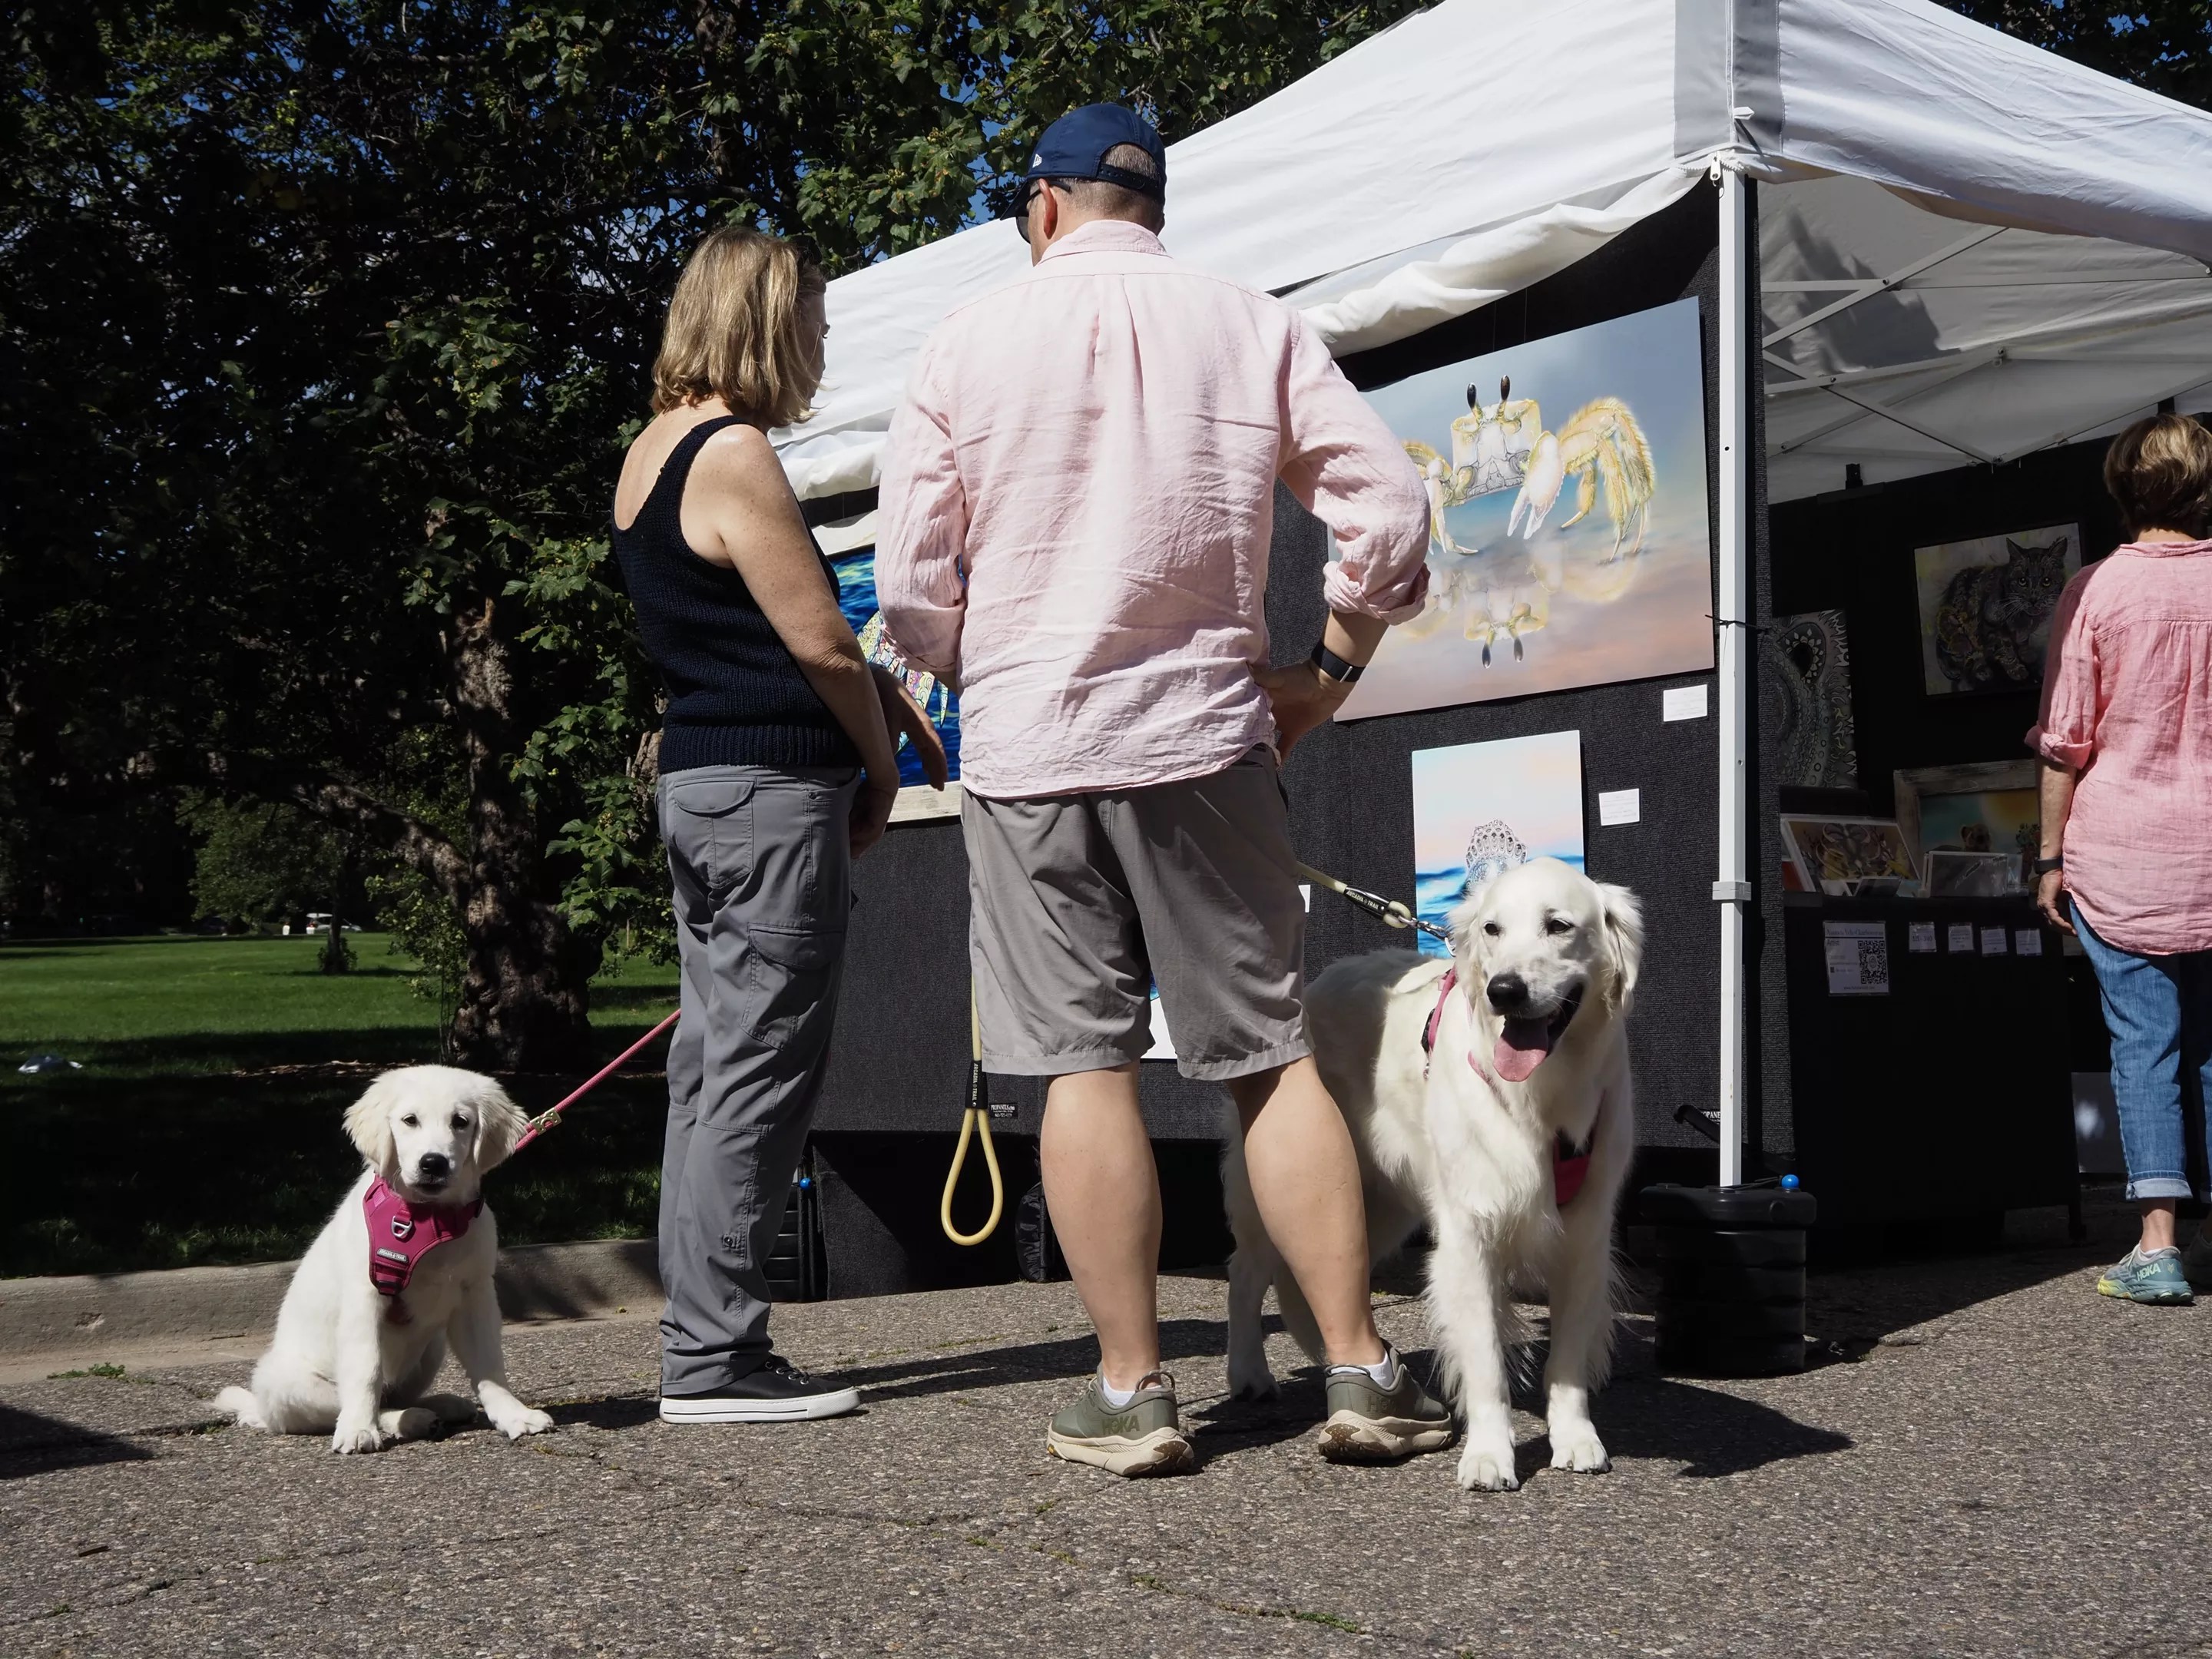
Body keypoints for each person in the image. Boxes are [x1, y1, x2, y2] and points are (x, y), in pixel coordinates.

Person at [875, 104, 1448, 1475]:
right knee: (1265, 1056)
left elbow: (905, 584)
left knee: (1082, 1063)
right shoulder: (1251, 323)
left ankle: (1133, 1397)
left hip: (1030, 749)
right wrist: (1330, 666)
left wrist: (988, 668)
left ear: (1043, 208)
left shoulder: (963, 342)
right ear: (1153, 208)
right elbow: (1393, 507)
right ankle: (1362, 1375)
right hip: (1207, 731)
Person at [613, 226, 946, 1420]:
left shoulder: (648, 454)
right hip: (768, 796)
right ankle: (714, 1357)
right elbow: (818, 641)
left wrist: (878, 695)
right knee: (755, 1074)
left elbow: (756, 636)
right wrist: (883, 765)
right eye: (808, 318)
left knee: (709, 1073)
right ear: (761, 320)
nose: (817, 341)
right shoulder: (733, 450)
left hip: (704, 790)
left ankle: (703, 1342)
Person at [2033, 411, 2212, 1306]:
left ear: (2121, 486)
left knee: (2145, 1047)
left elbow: (2066, 742)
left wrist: (2048, 858)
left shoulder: (2096, 592)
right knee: (2210, 1047)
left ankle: (2157, 1245)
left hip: (2126, 855)